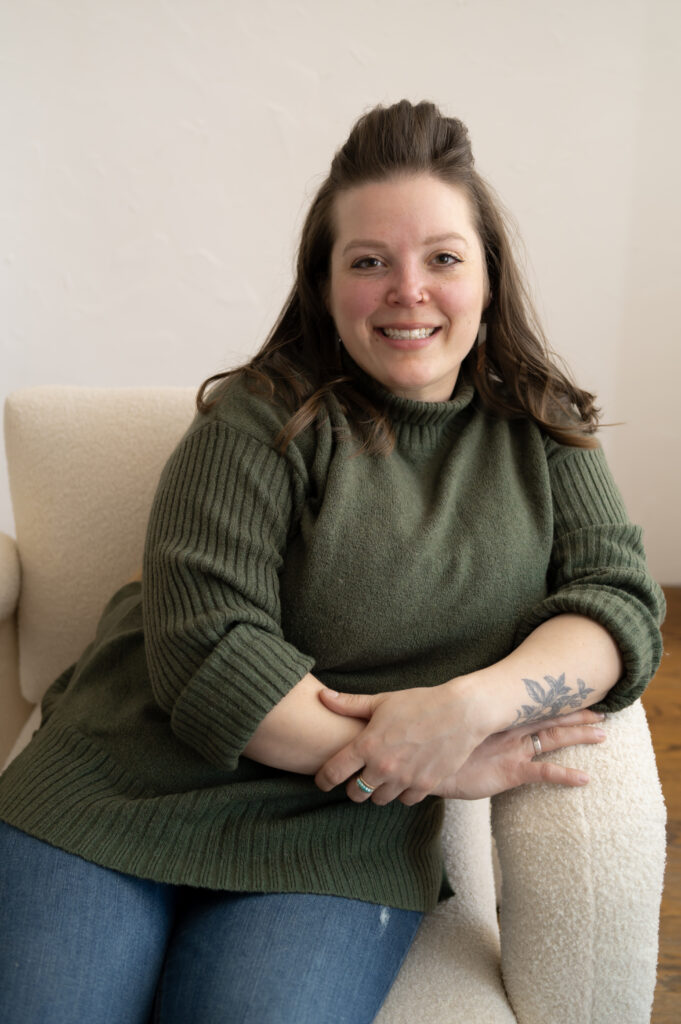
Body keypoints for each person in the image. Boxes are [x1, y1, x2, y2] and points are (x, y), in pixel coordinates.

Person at [0, 100, 665, 1024]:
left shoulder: (544, 433)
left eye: (441, 257)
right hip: (123, 783)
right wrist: (430, 763)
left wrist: (465, 711)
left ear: (487, 275)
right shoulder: (257, 417)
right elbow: (209, 658)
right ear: (324, 283)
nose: (408, 289)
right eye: (368, 262)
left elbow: (617, 606)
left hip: (340, 830)